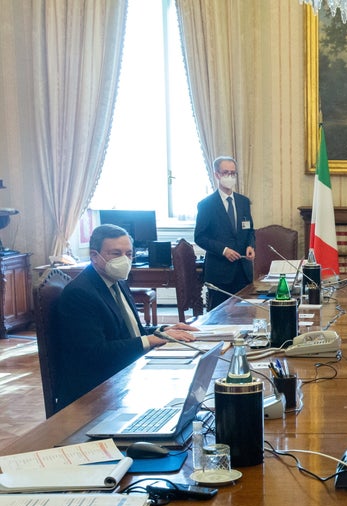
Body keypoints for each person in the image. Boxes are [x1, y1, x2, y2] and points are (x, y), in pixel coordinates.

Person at [53, 224, 197, 409]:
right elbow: (96, 353)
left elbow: (128, 331)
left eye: (129, 254)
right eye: (116, 253)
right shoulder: (80, 293)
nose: (125, 260)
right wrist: (150, 339)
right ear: (94, 256)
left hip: (124, 375)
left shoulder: (117, 282)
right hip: (95, 395)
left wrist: (163, 331)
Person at [195, 156, 255, 309]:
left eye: (233, 173)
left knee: (245, 315)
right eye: (226, 172)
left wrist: (250, 246)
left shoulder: (243, 202)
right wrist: (224, 250)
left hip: (243, 271)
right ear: (217, 175)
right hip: (220, 273)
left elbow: (250, 230)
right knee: (220, 318)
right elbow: (200, 237)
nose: (230, 176)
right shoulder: (206, 205)